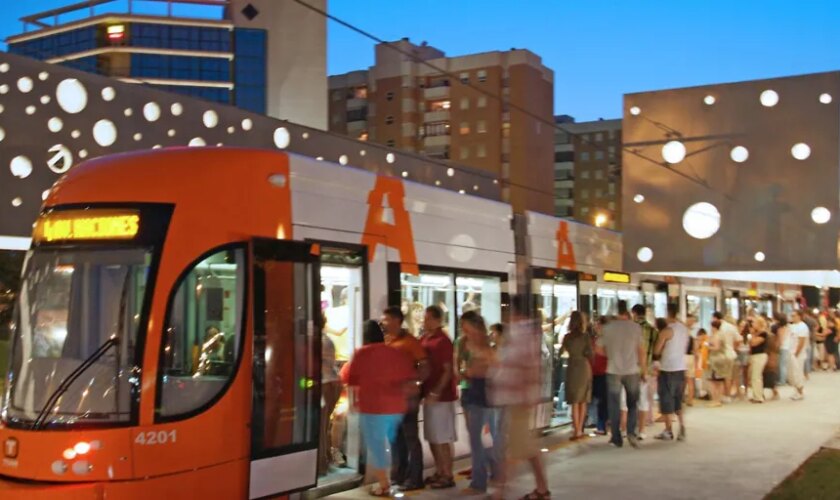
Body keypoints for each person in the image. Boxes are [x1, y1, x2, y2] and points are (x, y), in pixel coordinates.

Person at [340, 320, 417, 497]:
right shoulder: (395, 352)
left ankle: (384, 484)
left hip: (373, 408)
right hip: (396, 408)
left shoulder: (361, 354)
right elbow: (409, 380)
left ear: (364, 337)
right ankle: (391, 478)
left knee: (376, 446)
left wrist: (352, 405)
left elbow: (352, 382)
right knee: (390, 444)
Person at [489, 295, 550, 500]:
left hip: (518, 400)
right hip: (515, 399)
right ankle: (541, 489)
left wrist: (527, 394)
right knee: (526, 447)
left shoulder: (522, 333)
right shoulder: (522, 333)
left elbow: (529, 367)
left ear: (513, 312)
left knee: (513, 449)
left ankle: (500, 491)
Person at [381, 306, 429, 491]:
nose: (383, 323)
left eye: (385, 319)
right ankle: (398, 476)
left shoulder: (410, 342)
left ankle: (415, 478)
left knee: (410, 438)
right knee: (395, 438)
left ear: (396, 321)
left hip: (407, 399)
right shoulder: (387, 341)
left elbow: (425, 365)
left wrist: (415, 384)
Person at [459, 311, 500, 496]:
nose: (465, 331)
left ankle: (480, 481)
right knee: (479, 438)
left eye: (467, 328)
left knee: (481, 439)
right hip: (474, 392)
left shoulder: (485, 346)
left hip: (484, 393)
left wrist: (474, 370)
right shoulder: (466, 343)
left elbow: (493, 368)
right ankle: (493, 472)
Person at [596, 300, 646, 449]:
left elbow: (598, 349)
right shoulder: (635, 328)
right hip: (632, 370)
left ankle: (616, 437)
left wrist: (610, 355)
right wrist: (643, 369)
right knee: (632, 403)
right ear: (627, 312)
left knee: (614, 404)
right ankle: (631, 433)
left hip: (613, 370)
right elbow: (641, 351)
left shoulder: (608, 328)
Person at [418, 305, 458, 490]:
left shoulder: (443, 341)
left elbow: (447, 370)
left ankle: (447, 473)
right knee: (432, 436)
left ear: (437, 320)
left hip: (441, 397)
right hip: (429, 395)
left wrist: (436, 391)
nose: (424, 322)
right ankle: (439, 470)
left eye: (428, 319)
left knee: (442, 437)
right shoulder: (425, 338)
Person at [653, 303, 690, 441]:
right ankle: (682, 427)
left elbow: (657, 350)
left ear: (668, 313)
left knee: (666, 399)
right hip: (681, 368)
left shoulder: (666, 331)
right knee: (678, 400)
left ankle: (668, 430)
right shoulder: (684, 329)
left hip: (667, 368)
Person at [561, 311, 593, 440]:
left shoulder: (567, 337)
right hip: (584, 367)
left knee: (574, 400)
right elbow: (590, 353)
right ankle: (580, 429)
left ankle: (576, 430)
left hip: (572, 367)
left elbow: (561, 351)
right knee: (583, 400)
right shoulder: (585, 337)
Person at [319, 319, 342, 476]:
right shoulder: (327, 339)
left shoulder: (316, 341)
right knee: (325, 424)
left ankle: (321, 465)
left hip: (324, 383)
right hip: (333, 382)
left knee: (320, 426)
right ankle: (326, 458)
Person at [631, 304, 656, 438]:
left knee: (629, 401)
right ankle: (642, 431)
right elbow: (657, 350)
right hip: (646, 370)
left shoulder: (630, 329)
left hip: (630, 369)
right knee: (643, 401)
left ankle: (629, 428)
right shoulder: (653, 330)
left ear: (634, 313)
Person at [713, 312, 740, 401]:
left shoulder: (718, 328)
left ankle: (724, 395)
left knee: (722, 376)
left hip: (721, 354)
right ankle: (727, 394)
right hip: (731, 353)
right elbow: (739, 339)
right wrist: (734, 348)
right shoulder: (731, 327)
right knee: (728, 376)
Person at [589, 315, 609, 436]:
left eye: (598, 324)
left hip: (603, 373)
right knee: (596, 399)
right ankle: (597, 422)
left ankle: (601, 425)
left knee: (602, 400)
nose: (596, 326)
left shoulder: (606, 340)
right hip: (593, 372)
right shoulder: (595, 339)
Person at [706, 320, 730, 408]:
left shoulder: (716, 336)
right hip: (722, 359)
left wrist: (707, 346)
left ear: (713, 327)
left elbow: (716, 347)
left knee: (713, 381)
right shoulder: (721, 334)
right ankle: (718, 400)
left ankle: (715, 399)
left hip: (716, 360)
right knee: (719, 381)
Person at [788, 311, 809, 401]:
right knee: (793, 373)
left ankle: (800, 391)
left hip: (798, 354)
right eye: (791, 315)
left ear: (799, 316)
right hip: (791, 352)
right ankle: (796, 390)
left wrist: (796, 353)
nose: (792, 317)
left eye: (794, 316)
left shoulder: (802, 326)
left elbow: (801, 341)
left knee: (798, 373)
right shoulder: (792, 326)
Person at [747, 317, 769, 403]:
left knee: (756, 376)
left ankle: (758, 397)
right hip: (754, 355)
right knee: (754, 376)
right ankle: (756, 394)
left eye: (754, 323)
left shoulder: (763, 333)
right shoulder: (756, 333)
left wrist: (752, 334)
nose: (752, 324)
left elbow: (754, 343)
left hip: (760, 355)